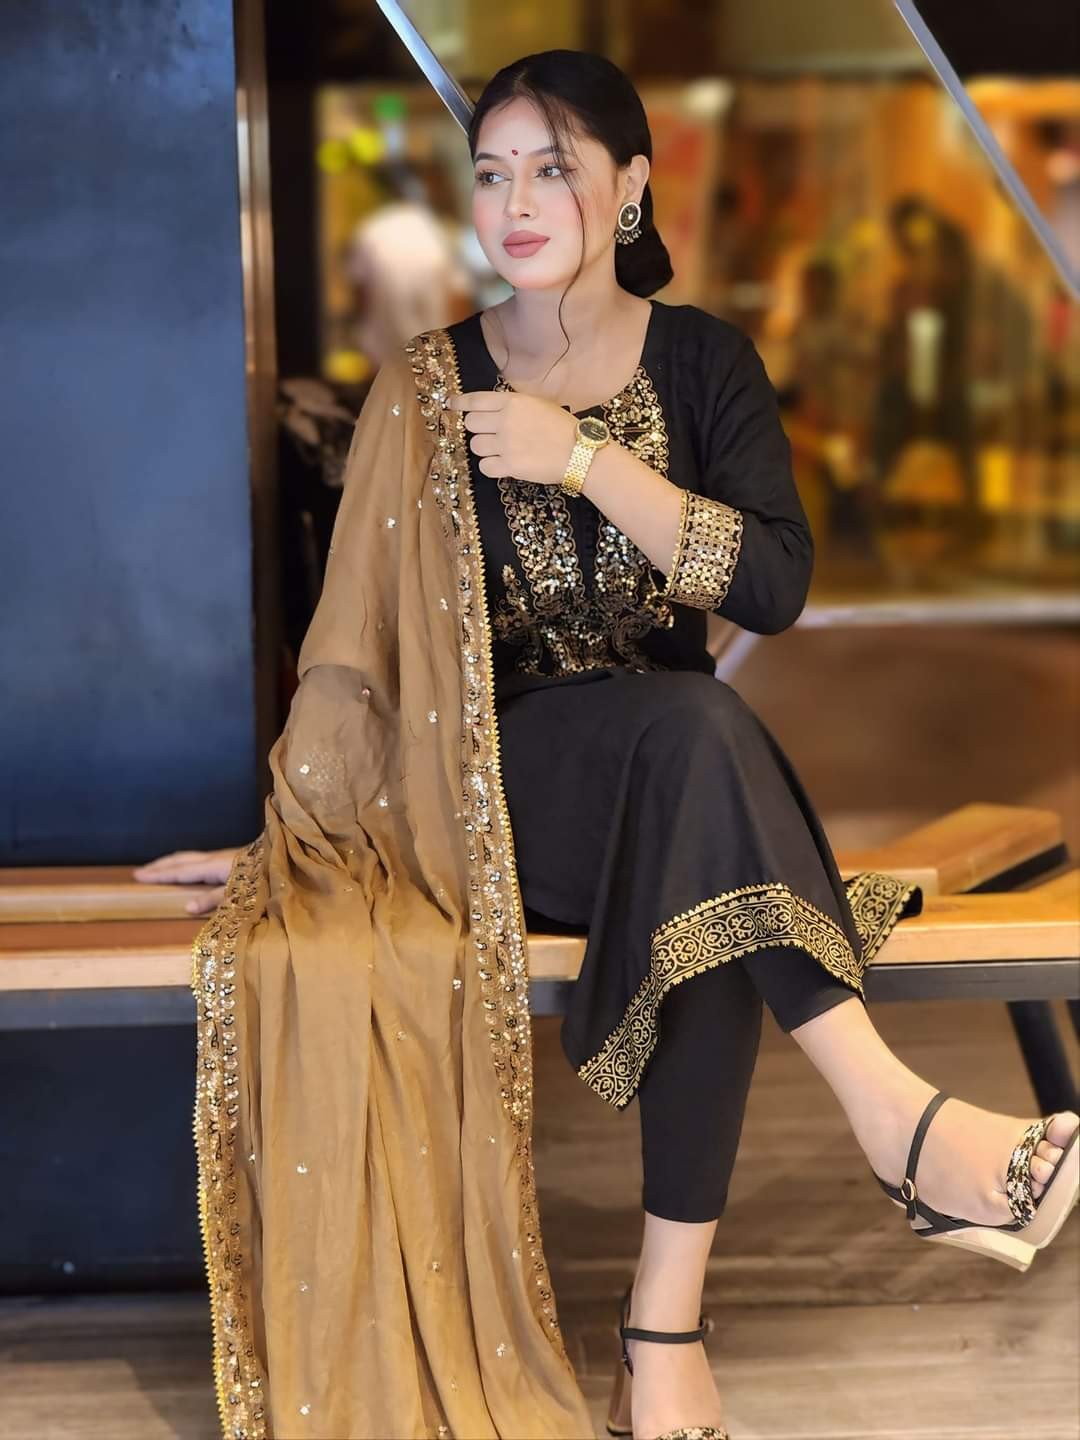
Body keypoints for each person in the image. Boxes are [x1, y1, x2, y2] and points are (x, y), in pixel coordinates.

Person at [137, 50, 1079, 1440]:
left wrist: (582, 457)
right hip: (493, 792)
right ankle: (892, 1134)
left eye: (553, 169)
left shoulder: (703, 362)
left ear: (631, 185)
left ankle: (664, 1337)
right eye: (493, 173)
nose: (515, 203)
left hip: (670, 792)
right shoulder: (427, 386)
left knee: (696, 820)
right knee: (699, 753)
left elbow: (773, 587)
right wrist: (304, 837)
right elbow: (358, 658)